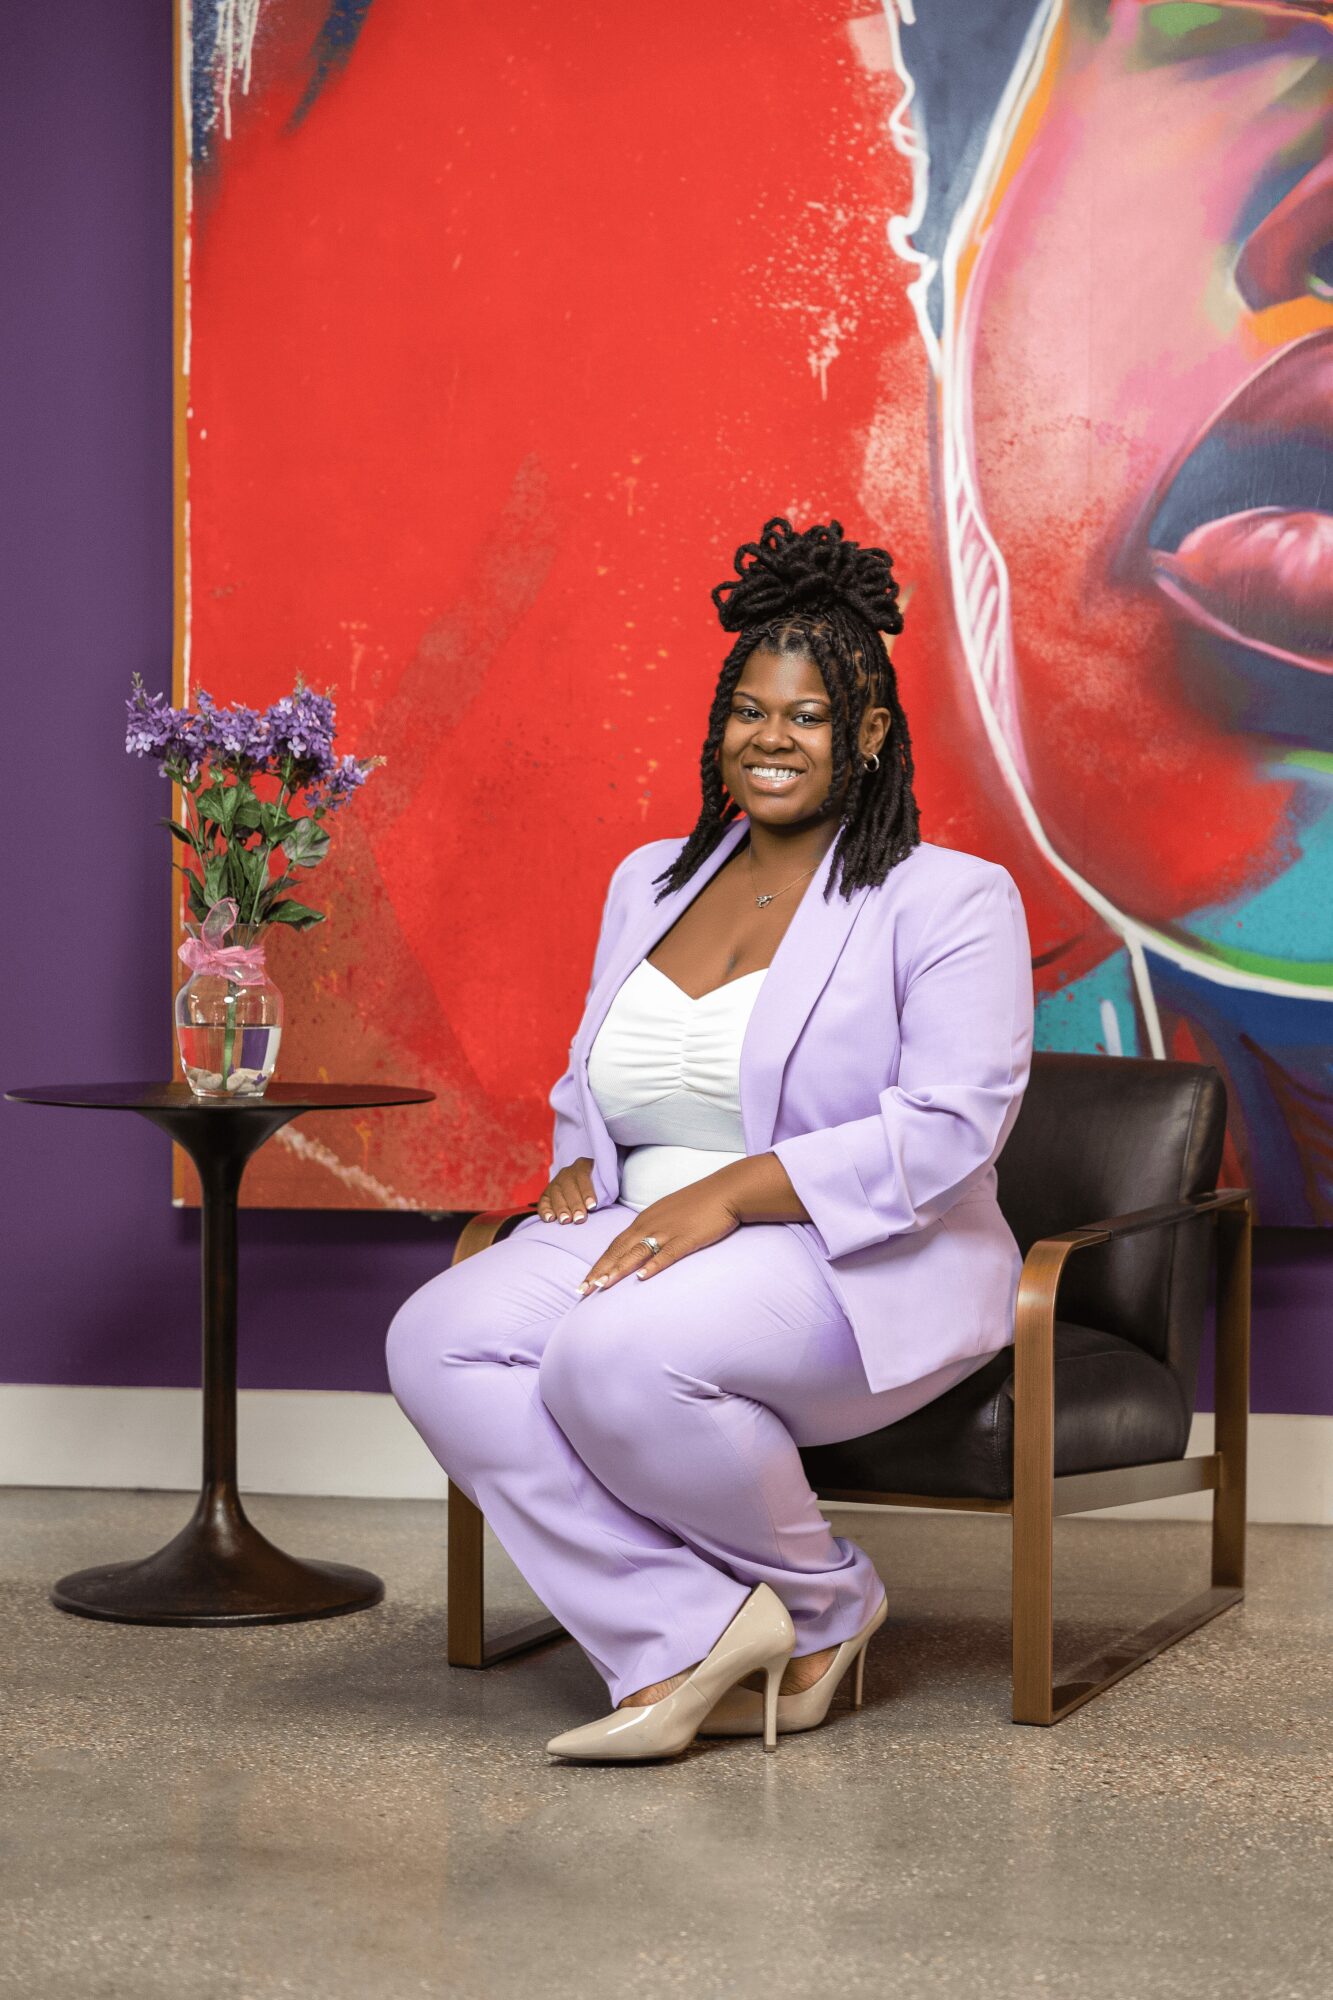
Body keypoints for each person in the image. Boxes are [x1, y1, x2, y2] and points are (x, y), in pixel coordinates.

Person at [386, 517, 1035, 1762]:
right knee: (437, 1338)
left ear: (868, 732)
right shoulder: (650, 878)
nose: (770, 737)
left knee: (611, 1353)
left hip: (849, 1248)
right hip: (640, 1217)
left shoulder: (947, 897)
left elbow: (953, 1122)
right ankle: (686, 1630)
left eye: (806, 715)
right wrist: (582, 1152)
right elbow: (600, 1063)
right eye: (749, 710)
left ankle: (823, 1601)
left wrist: (737, 1191)